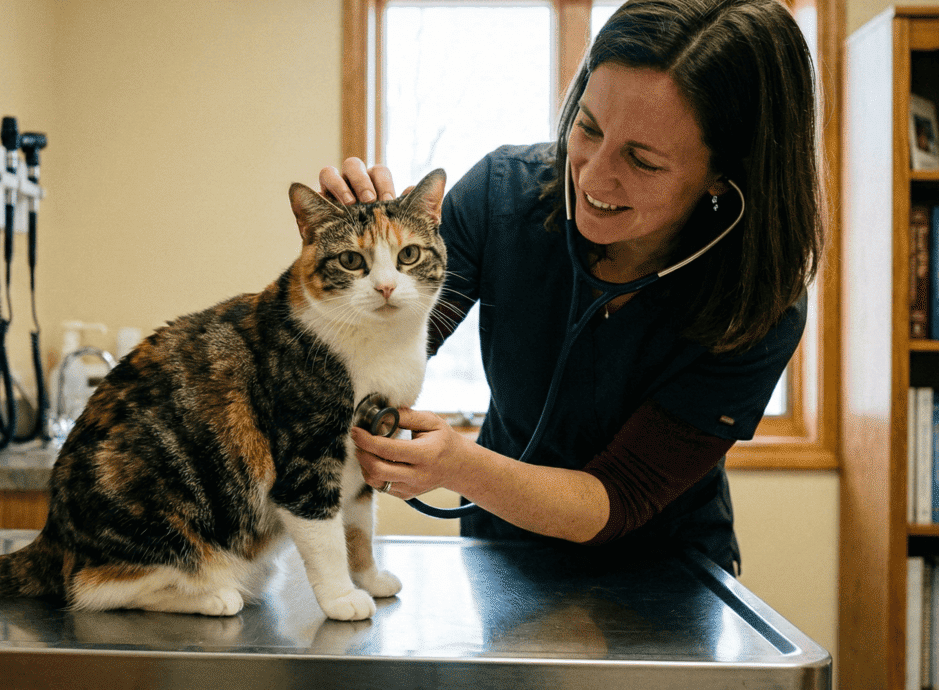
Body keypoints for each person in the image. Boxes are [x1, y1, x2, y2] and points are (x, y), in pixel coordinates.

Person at [321, 0, 823, 575]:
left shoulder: (755, 303)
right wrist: (346, 267)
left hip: (665, 576)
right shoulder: (501, 198)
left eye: (642, 160)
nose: (592, 173)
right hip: (503, 555)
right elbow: (375, 352)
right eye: (588, 127)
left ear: (723, 175)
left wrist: (459, 467)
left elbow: (620, 496)